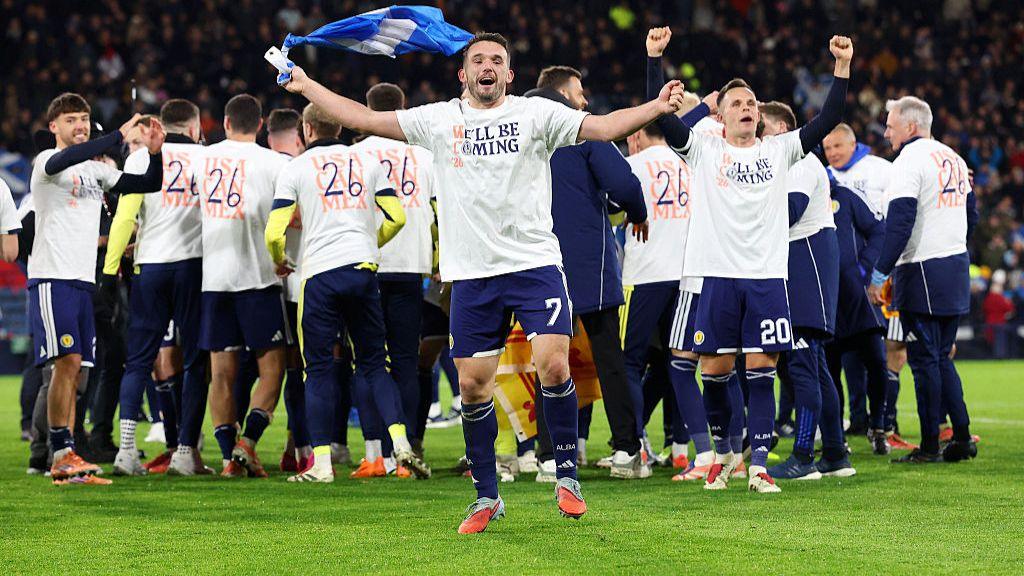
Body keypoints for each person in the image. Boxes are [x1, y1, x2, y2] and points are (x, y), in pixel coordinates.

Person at [279, 31, 686, 532]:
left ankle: (566, 475)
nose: (487, 66)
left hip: (534, 262)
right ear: (464, 74)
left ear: (509, 74)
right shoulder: (438, 119)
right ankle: (486, 497)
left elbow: (602, 127)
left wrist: (654, 105)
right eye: (478, 60)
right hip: (471, 274)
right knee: (473, 385)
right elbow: (361, 118)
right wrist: (306, 85)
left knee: (553, 363)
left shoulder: (536, 114)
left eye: (497, 59)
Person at [646, 26, 852, 493]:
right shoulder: (703, 148)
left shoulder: (781, 150)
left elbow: (830, 116)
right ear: (719, 115)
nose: (747, 108)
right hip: (716, 276)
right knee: (715, 374)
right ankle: (722, 453)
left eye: (752, 103)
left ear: (760, 116)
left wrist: (841, 68)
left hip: (765, 278)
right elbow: (666, 121)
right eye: (737, 103)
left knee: (761, 373)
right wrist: (654, 61)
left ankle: (758, 465)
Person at [264, 102, 428, 482]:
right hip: (363, 270)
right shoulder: (368, 161)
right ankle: (401, 444)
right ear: (339, 127)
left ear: (306, 129)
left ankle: (321, 464)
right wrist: (371, 242)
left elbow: (274, 231)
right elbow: (398, 216)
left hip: (319, 274)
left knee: (318, 368)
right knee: (374, 363)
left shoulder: (296, 167)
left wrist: (281, 258)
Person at [29, 92, 165, 485]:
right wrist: (116, 137)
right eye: (71, 119)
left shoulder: (98, 171)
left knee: (78, 372)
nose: (80, 126)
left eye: (84, 119)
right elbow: (63, 159)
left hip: (83, 282)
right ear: (54, 126)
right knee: (65, 366)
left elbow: (148, 183)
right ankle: (59, 453)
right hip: (54, 276)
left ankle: (68, 455)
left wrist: (155, 153)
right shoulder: (46, 164)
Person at [524, 65, 650, 480]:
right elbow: (624, 182)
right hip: (586, 264)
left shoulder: (511, 127)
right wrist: (637, 211)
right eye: (579, 92)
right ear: (561, 93)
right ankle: (627, 450)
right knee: (609, 359)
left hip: (530, 264)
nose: (585, 101)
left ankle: (546, 456)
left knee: (546, 362)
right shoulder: (580, 129)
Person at [868, 95, 979, 463]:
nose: (886, 131)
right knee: (941, 356)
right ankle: (960, 436)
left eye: (891, 124)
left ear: (911, 126)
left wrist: (880, 273)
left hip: (923, 268)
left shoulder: (908, 161)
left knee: (924, 359)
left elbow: (899, 223)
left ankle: (931, 444)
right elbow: (972, 214)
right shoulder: (955, 158)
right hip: (955, 264)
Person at [102, 100, 210, 476]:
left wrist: (110, 268)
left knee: (139, 360)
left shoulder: (138, 160)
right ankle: (184, 452)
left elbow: (125, 219)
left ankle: (127, 451)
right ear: (194, 127)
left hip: (149, 267)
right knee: (196, 360)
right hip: (192, 267)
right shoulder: (207, 159)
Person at [623, 97, 721, 482]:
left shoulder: (633, 165)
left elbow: (616, 206)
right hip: (686, 274)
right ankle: (682, 448)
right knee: (676, 363)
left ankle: (634, 449)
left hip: (644, 274)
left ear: (636, 138)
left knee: (630, 363)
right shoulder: (687, 161)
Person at [197, 94, 291, 478]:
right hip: (259, 278)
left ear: (224, 122)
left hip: (214, 280)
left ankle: (226, 459)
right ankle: (247, 442)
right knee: (273, 368)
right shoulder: (275, 162)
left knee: (221, 372)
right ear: (261, 124)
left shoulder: (201, 160)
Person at [758, 101, 852, 480]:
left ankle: (803, 456)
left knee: (802, 364)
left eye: (763, 128)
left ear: (781, 128)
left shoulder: (798, 161)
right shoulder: (799, 163)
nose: (759, 136)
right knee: (814, 364)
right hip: (807, 262)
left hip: (806, 261)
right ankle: (834, 453)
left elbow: (790, 211)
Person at [350, 82, 437, 468]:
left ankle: (375, 452)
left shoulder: (354, 155)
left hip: (366, 265)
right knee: (405, 361)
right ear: (403, 107)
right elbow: (439, 213)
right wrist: (439, 260)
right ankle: (408, 449)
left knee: (368, 361)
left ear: (368, 108)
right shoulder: (425, 156)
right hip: (411, 267)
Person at [823, 123, 893, 435]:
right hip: (825, 297)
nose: (833, 154)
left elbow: (879, 229)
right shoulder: (810, 193)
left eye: (838, 146)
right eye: (827, 149)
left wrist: (865, 269)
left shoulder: (855, 189)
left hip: (858, 292)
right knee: (831, 367)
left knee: (878, 361)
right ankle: (839, 433)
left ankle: (881, 424)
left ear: (853, 144)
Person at [265, 108, 313, 473]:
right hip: (300, 278)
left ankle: (292, 445)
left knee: (284, 367)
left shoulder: (260, 165)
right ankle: (303, 447)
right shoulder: (300, 168)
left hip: (266, 282)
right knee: (308, 367)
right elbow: (294, 218)